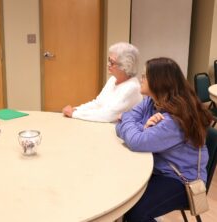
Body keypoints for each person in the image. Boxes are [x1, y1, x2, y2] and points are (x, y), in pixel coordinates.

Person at [115, 57, 212, 221]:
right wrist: (140, 128)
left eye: (145, 76)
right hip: (158, 168)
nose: (141, 78)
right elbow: (123, 125)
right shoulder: (150, 102)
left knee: (135, 211)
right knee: (119, 192)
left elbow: (135, 140)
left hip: (181, 180)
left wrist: (130, 125)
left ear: (158, 82)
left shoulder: (174, 120)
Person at [62, 42, 142, 122]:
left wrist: (74, 114)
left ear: (125, 66)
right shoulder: (113, 79)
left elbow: (108, 115)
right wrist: (76, 109)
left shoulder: (132, 87)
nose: (108, 64)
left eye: (112, 62)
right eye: (108, 60)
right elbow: (98, 103)